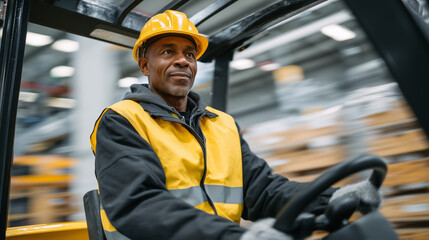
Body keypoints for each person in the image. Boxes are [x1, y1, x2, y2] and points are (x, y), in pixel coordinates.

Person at [90, 10, 381, 240]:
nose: (182, 61)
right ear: (145, 66)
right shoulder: (123, 120)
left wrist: (332, 198)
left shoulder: (222, 125)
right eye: (168, 52)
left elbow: (264, 191)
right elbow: (140, 205)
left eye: (189, 54)